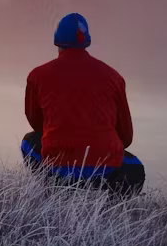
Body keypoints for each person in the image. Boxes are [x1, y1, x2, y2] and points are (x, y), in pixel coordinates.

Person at [21, 12, 145, 196]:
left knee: (28, 142)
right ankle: (109, 207)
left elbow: (37, 125)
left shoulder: (37, 76)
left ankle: (52, 192)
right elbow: (125, 138)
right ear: (86, 41)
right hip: (106, 171)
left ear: (57, 41)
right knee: (135, 166)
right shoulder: (114, 77)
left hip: (59, 168)